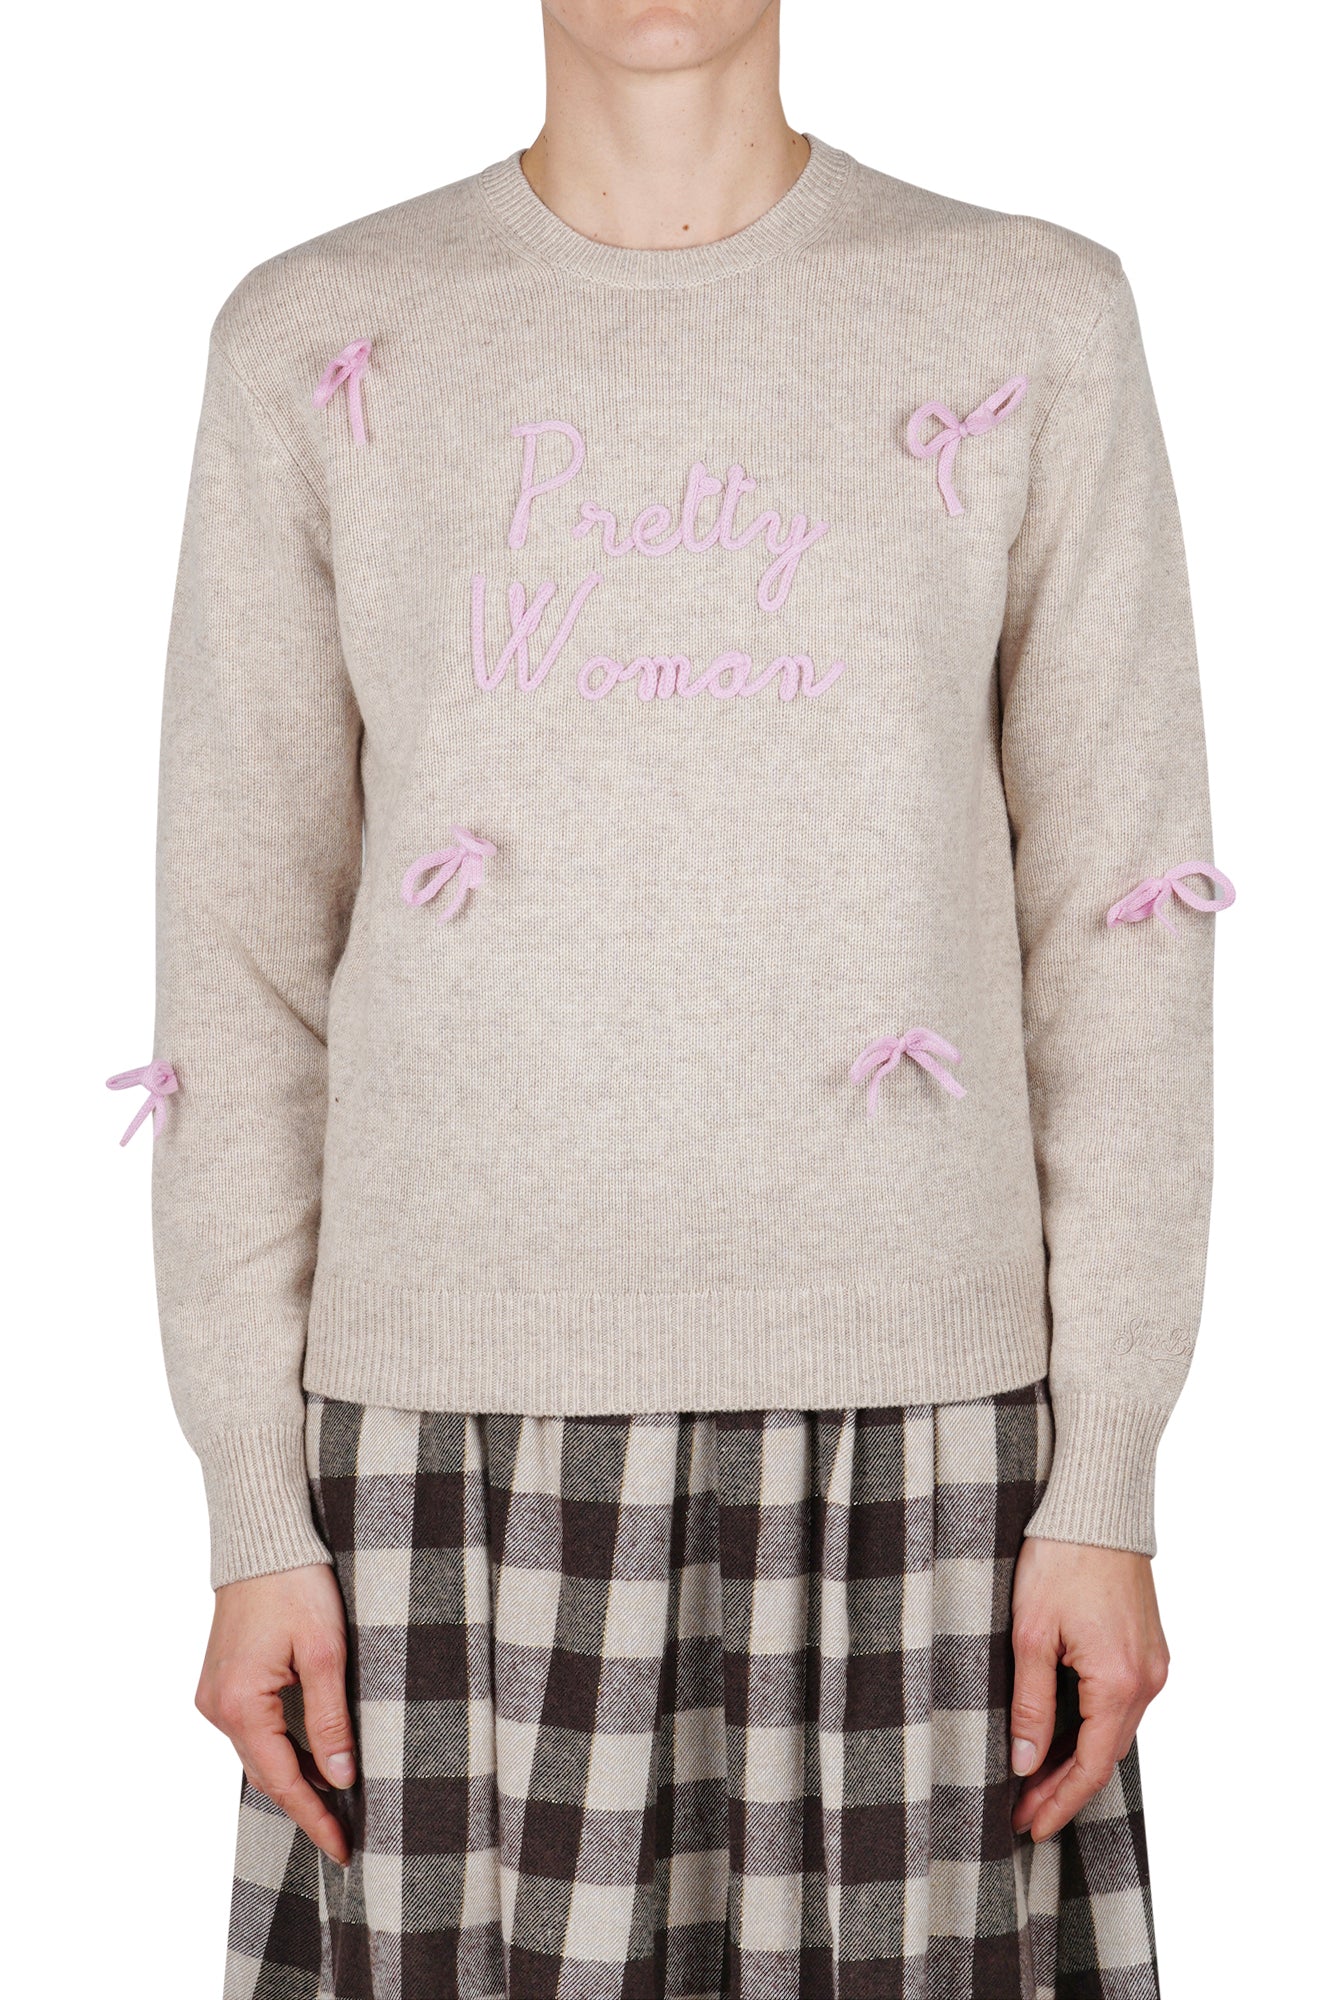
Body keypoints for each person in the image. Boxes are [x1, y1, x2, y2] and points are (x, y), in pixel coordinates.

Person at [112, 2, 1233, 1993]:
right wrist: (254, 1507)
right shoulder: (317, 334)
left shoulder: (1028, 314)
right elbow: (238, 947)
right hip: (440, 1458)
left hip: (929, 1448)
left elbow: (1117, 920)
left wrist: (1109, 1471)